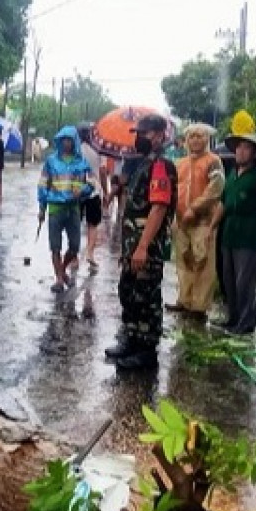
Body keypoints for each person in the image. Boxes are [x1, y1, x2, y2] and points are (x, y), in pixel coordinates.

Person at [104, 114, 177, 370]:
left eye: (144, 133)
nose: (139, 138)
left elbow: (158, 208)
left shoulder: (161, 166)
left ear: (159, 135)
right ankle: (132, 340)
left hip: (147, 246)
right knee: (129, 292)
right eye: (138, 133)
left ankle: (146, 351)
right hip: (132, 245)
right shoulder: (143, 164)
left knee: (146, 296)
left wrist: (143, 246)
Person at [216, 130, 256, 336]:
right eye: (239, 147)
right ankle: (232, 319)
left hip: (249, 233)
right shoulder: (232, 174)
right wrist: (212, 227)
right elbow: (223, 204)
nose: (241, 151)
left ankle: (246, 323)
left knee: (245, 282)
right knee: (229, 279)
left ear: (255, 153)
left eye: (246, 148)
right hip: (229, 233)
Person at [167, 124, 225, 321]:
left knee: (203, 263)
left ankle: (199, 307)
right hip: (181, 221)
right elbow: (173, 189)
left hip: (203, 221)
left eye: (200, 136)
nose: (195, 140)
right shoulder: (180, 163)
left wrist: (195, 208)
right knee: (184, 261)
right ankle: (184, 300)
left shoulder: (213, 161)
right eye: (191, 137)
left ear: (207, 139)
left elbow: (215, 188)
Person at [37, 125, 93, 292]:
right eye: (63, 140)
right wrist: (42, 208)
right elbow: (42, 185)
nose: (66, 143)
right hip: (55, 208)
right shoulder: (51, 161)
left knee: (74, 246)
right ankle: (59, 279)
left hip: (73, 209)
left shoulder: (81, 162)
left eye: (69, 140)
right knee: (55, 246)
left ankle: (61, 270)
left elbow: (91, 183)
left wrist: (82, 191)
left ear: (74, 141)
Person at [77, 123, 109, 272]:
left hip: (76, 191)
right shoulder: (99, 150)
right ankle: (90, 253)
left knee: (75, 224)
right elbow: (103, 172)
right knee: (93, 224)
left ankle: (73, 256)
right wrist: (106, 191)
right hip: (94, 191)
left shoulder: (75, 149)